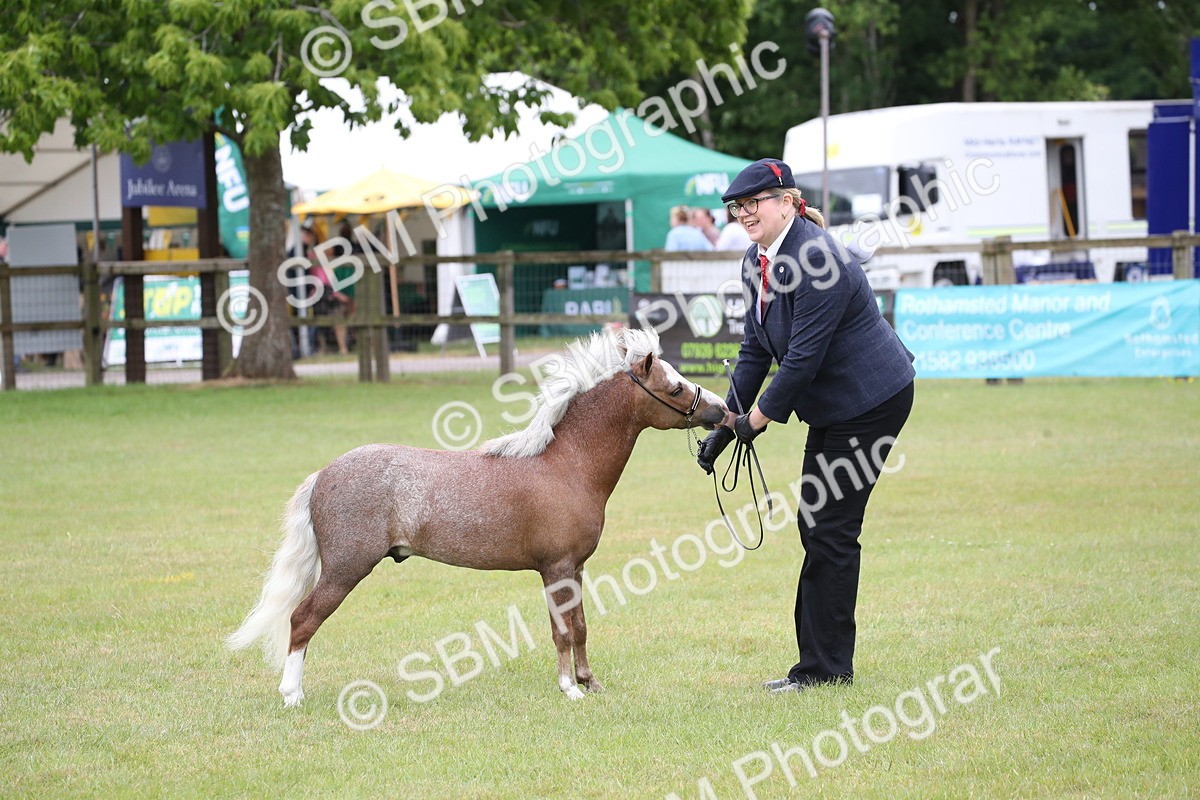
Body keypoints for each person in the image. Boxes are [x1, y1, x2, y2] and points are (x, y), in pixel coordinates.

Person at [696, 158, 916, 694]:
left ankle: (824, 671)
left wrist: (758, 419)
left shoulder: (820, 258)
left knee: (830, 530)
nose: (744, 213)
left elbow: (802, 359)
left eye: (755, 203)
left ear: (789, 202)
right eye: (737, 206)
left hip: (870, 400)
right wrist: (726, 426)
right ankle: (821, 664)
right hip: (835, 406)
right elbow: (754, 350)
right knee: (817, 527)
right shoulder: (757, 261)